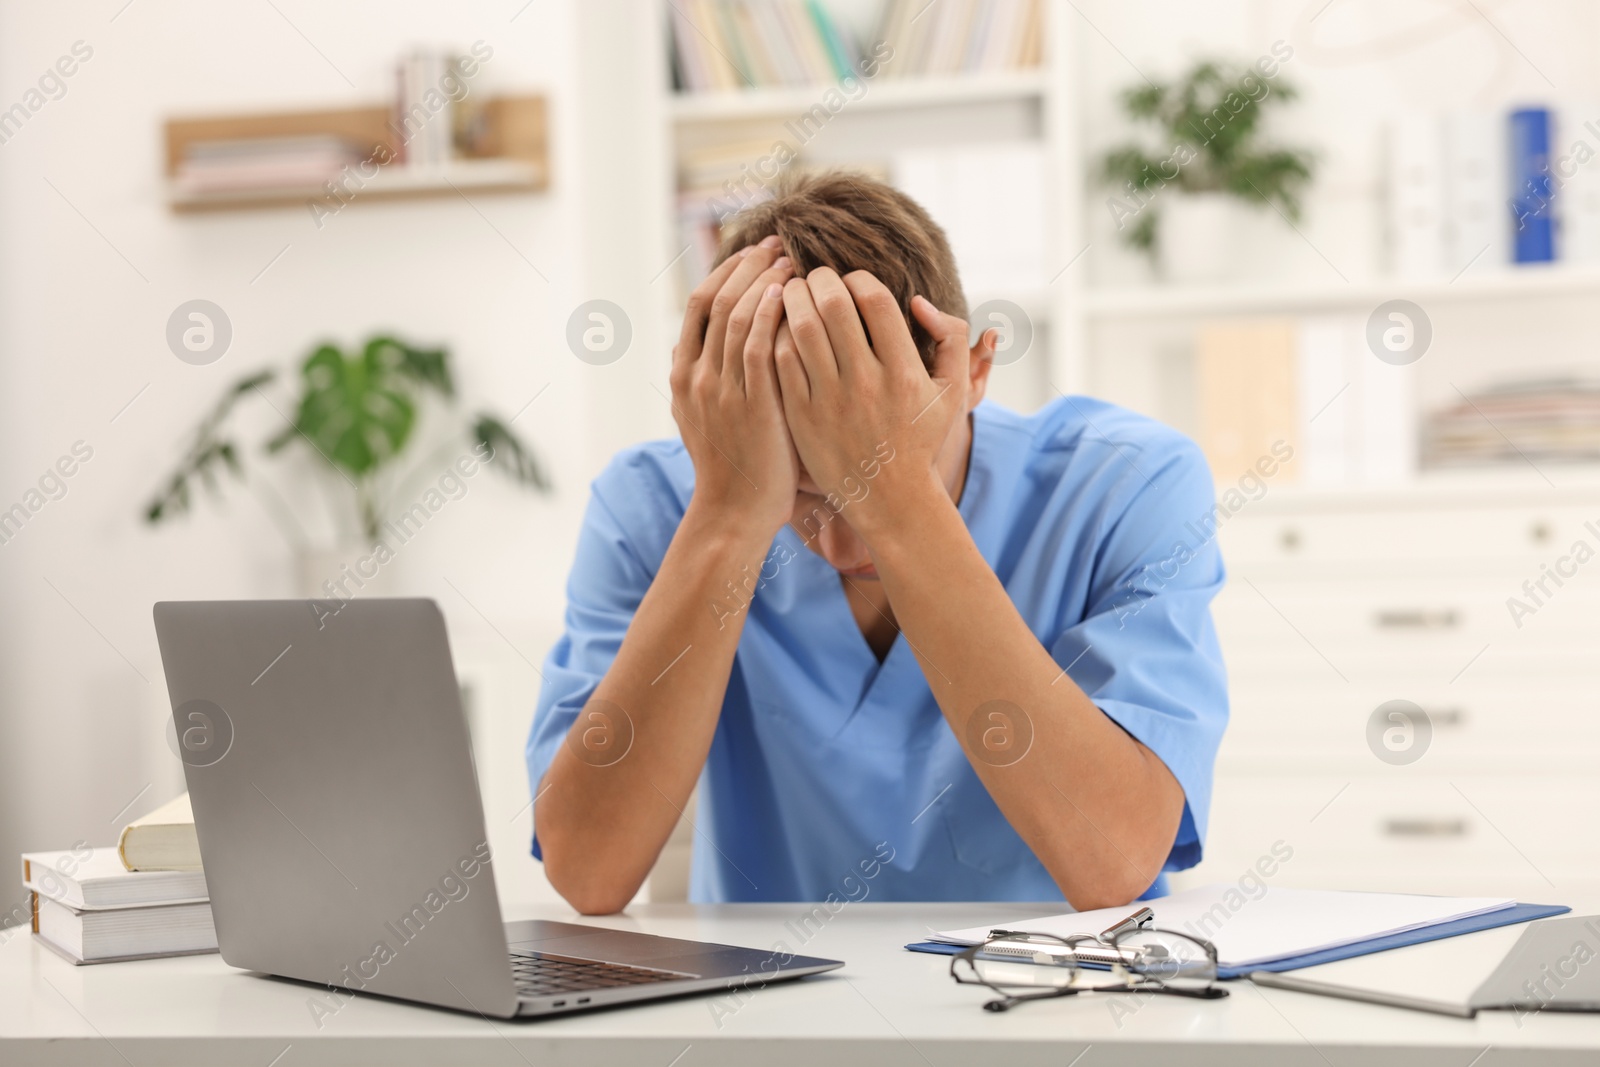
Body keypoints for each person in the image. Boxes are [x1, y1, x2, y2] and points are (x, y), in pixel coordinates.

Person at [526, 171, 1227, 914]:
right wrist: (730, 514)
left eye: (861, 478)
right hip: (771, 1001)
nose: (836, 539)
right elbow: (586, 869)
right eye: (798, 490)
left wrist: (899, 502)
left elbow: (1116, 857)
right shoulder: (652, 505)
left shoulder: (1128, 484)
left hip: (1063, 994)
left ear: (974, 371)